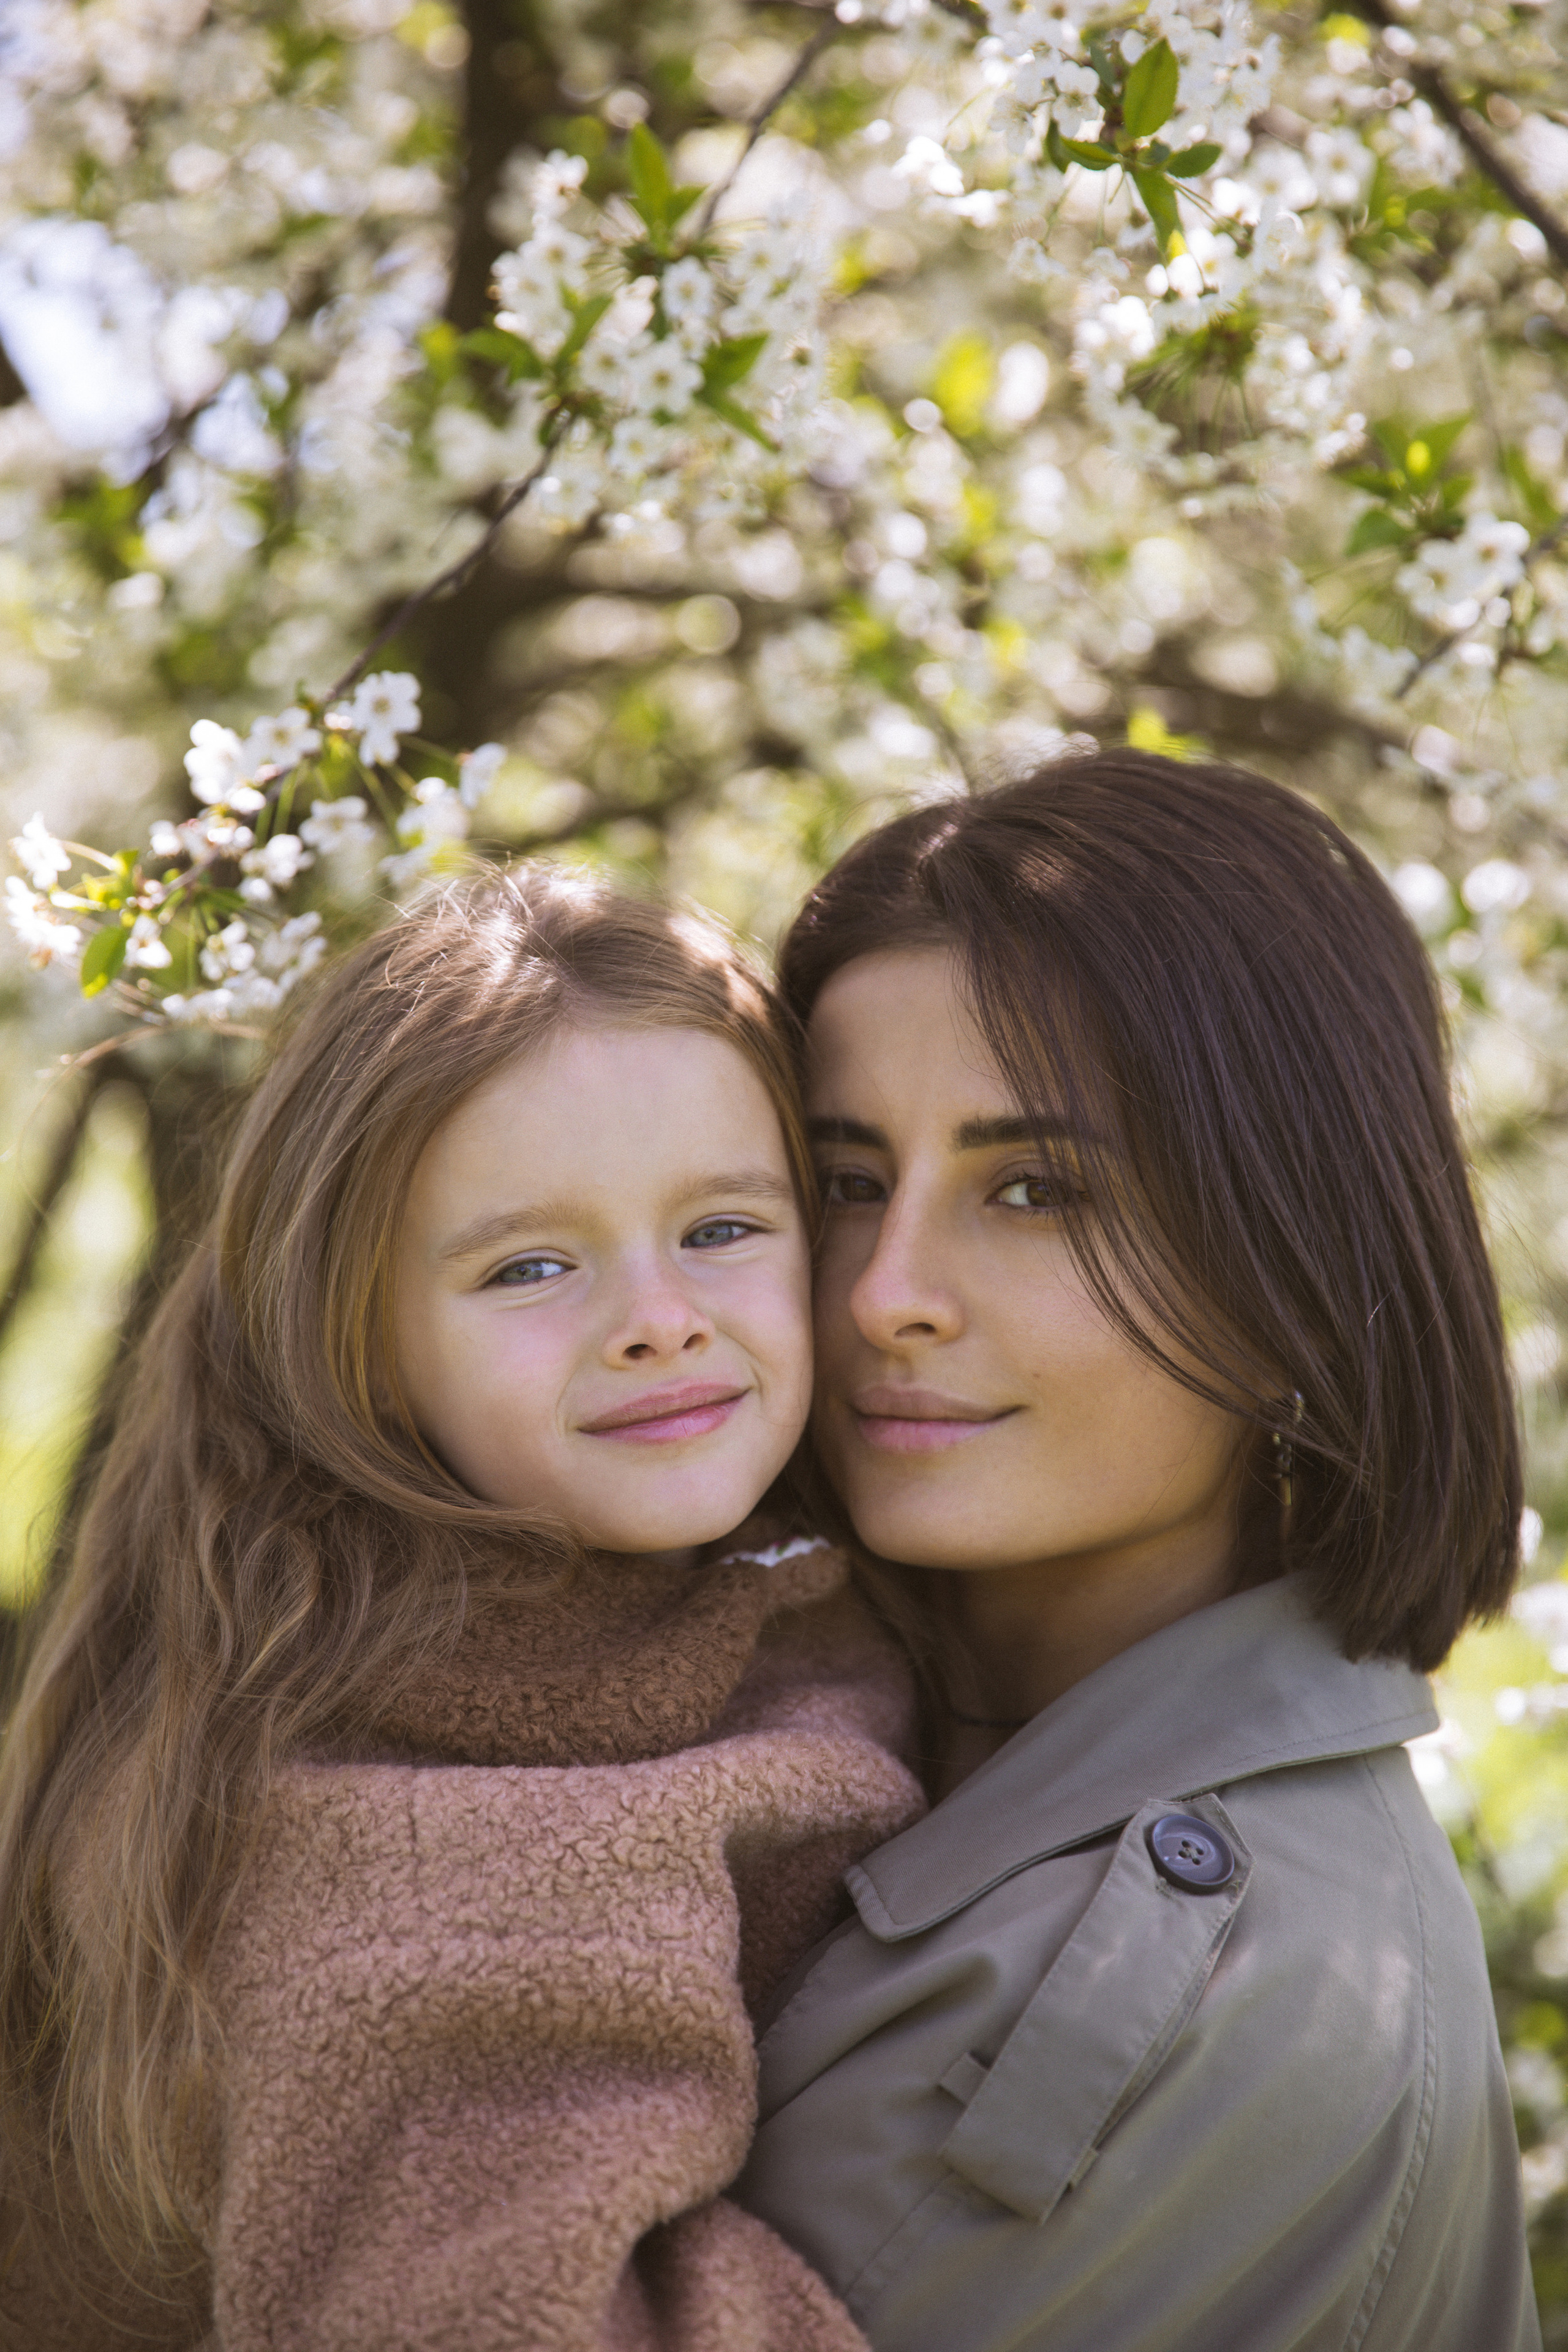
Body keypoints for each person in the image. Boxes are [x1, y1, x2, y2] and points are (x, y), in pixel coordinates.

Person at [0, 865, 921, 2351]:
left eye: (722, 1229)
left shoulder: (739, 1602)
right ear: (363, 1349)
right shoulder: (416, 1818)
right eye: (529, 1266)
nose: (659, 1320)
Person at [735, 748, 1542, 2351]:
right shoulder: (810, 1710)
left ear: (1295, 1268)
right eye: (844, 1181)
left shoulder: (1178, 1990)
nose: (885, 1292)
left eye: (1034, 1189)